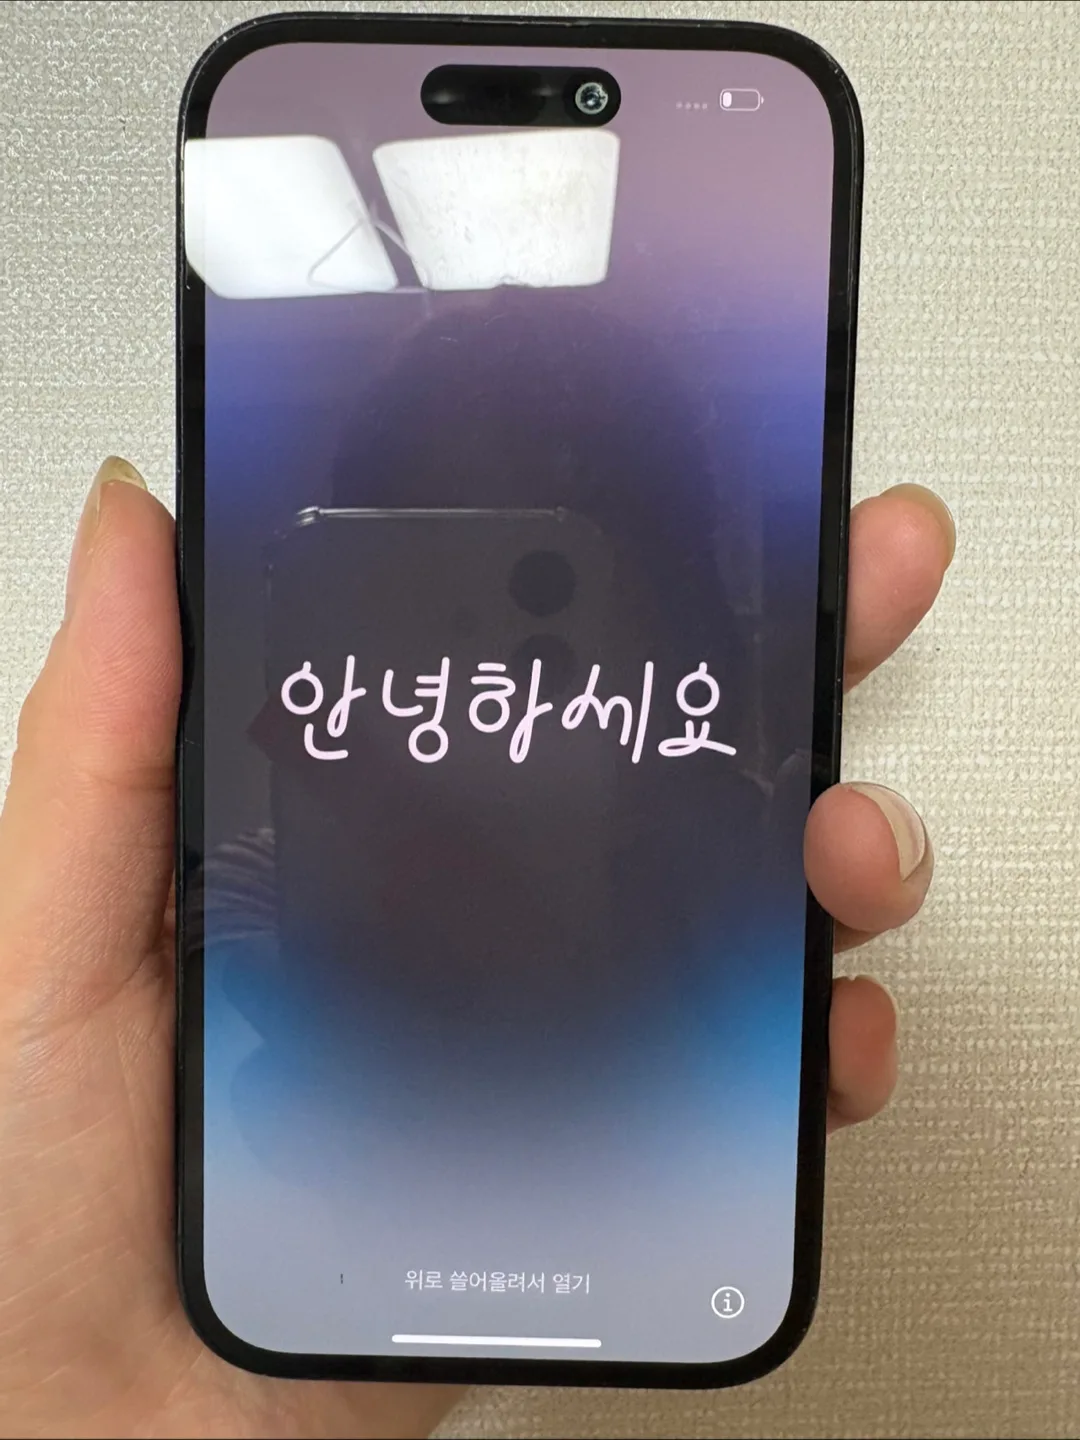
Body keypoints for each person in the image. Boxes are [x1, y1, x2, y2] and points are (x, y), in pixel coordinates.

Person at [0, 455, 953, 1438]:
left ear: (675, 631)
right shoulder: (241, 903)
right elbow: (248, 1061)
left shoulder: (725, 882)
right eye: (404, 591)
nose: (460, 677)